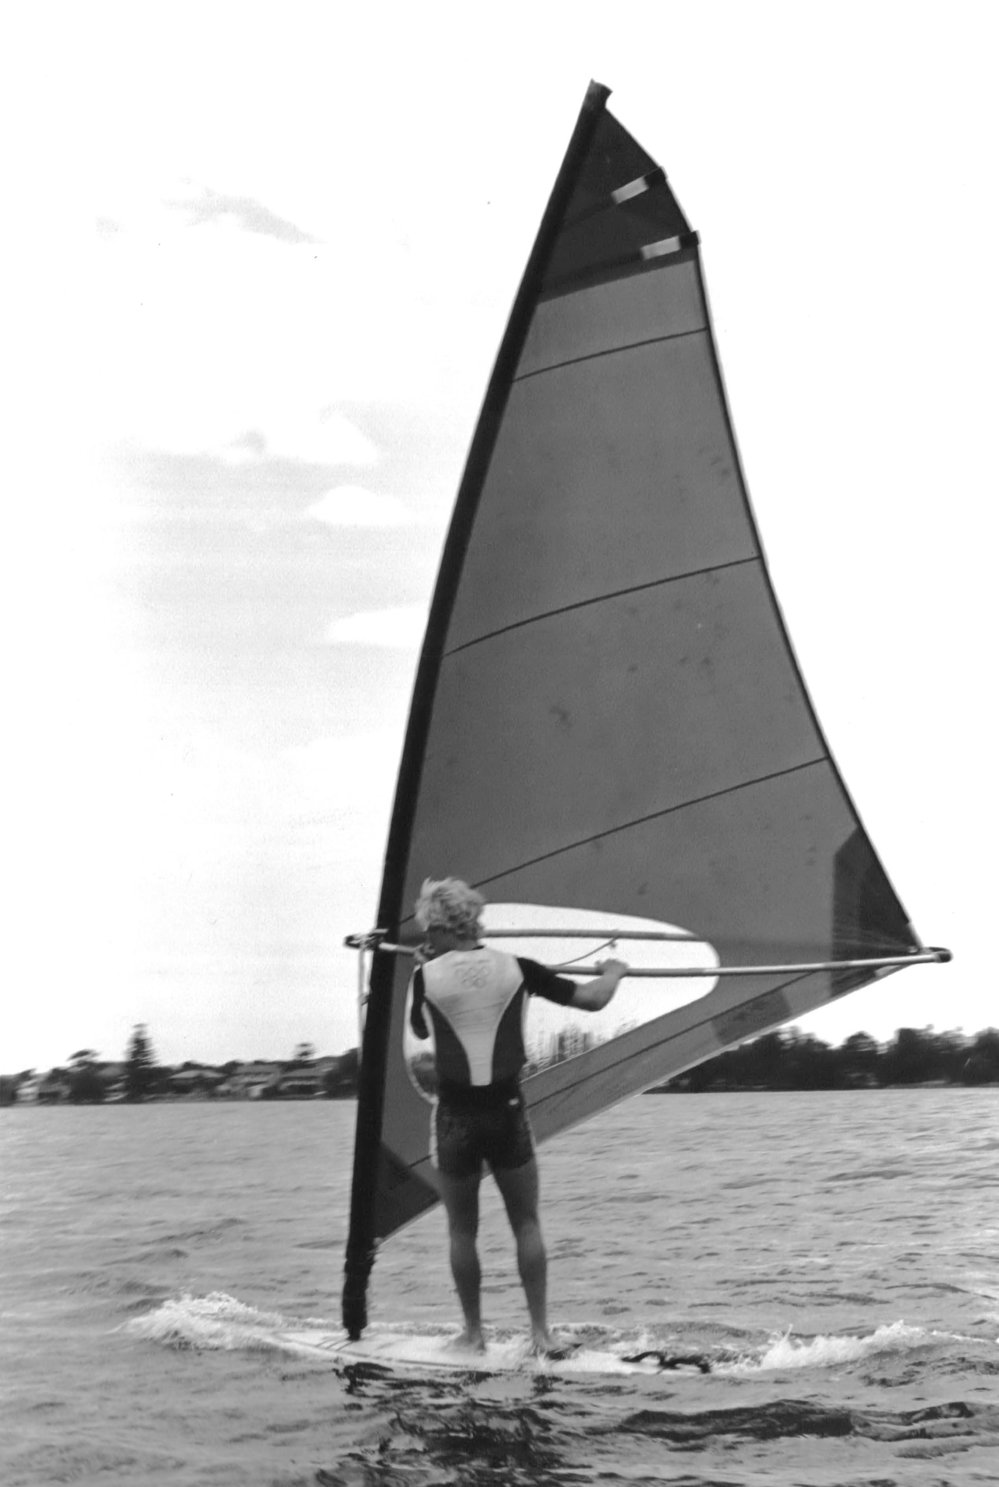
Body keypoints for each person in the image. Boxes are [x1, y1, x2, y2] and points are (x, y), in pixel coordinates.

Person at [409, 876, 629, 1355]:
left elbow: (419, 1028)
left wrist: (427, 970)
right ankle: (540, 1334)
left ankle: (473, 1334)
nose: (425, 939)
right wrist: (613, 971)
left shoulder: (424, 976)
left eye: (429, 929)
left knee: (461, 1230)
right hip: (506, 1113)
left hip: (455, 1120)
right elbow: (593, 999)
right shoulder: (519, 968)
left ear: (444, 926)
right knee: (526, 1223)